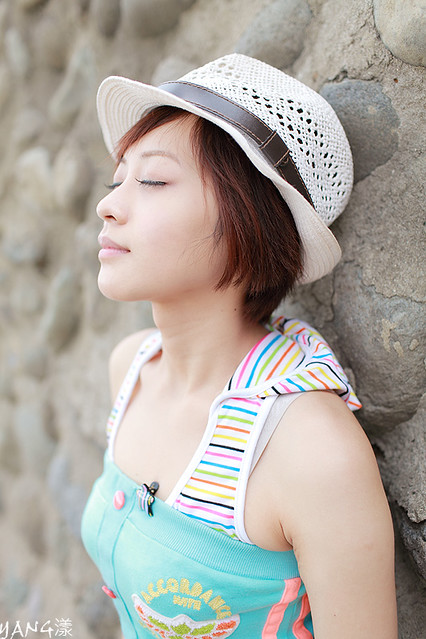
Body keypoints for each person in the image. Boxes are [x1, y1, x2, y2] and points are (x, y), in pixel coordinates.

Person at [81, 54, 397, 639]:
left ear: (249, 220)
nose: (109, 205)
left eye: (153, 180)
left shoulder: (307, 447)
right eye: (117, 180)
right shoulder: (131, 367)